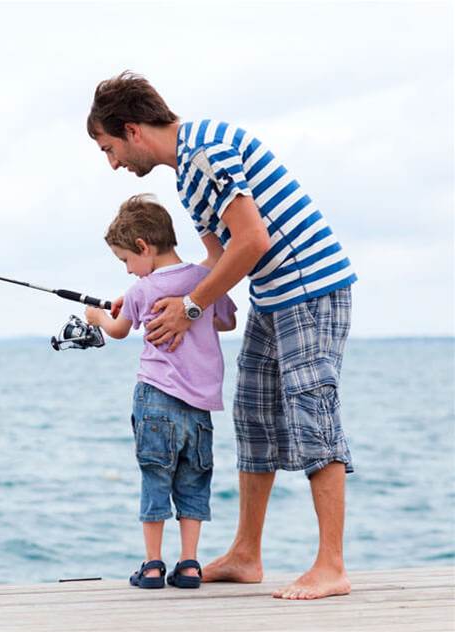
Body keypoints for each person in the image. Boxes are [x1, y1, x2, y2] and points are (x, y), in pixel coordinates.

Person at [85, 71, 358, 600]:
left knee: (312, 413)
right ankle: (246, 555)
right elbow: (215, 260)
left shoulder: (207, 150)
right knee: (253, 415)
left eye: (109, 148)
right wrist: (150, 292)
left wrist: (189, 307)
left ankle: (331, 566)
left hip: (310, 288)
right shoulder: (188, 175)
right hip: (273, 297)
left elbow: (253, 240)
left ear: (133, 130)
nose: (113, 163)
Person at [85, 194, 236, 590]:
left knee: (155, 478)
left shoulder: (142, 289)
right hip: (199, 407)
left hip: (154, 398)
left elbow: (118, 331)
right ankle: (189, 565)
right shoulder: (204, 281)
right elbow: (228, 321)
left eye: (125, 261)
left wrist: (96, 315)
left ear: (143, 247)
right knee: (193, 481)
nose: (130, 271)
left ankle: (152, 566)